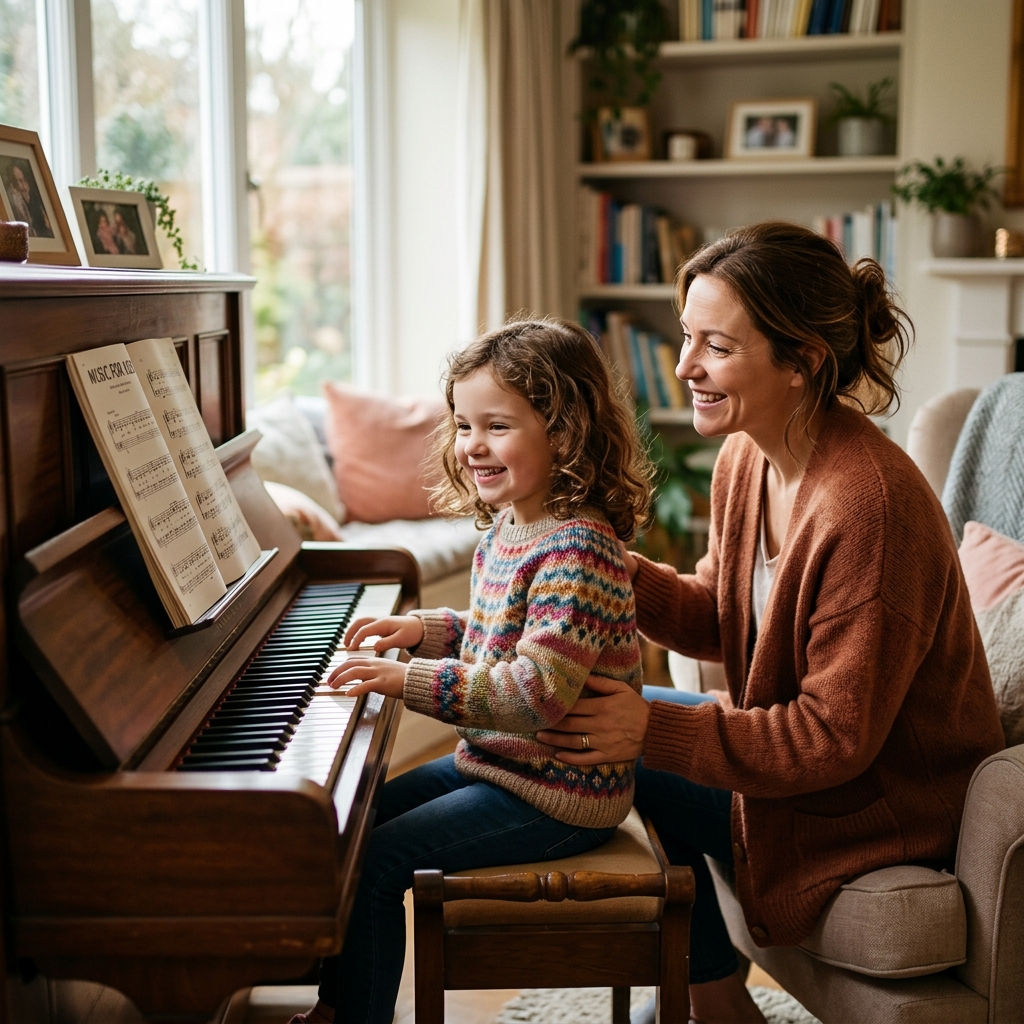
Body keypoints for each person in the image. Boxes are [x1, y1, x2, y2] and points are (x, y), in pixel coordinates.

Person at [537, 222, 1006, 1024]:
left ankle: (709, 999)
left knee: (617, 743)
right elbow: (720, 615)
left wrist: (648, 728)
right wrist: (592, 560)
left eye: (715, 347)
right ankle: (714, 998)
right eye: (688, 339)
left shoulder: (870, 506)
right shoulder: (747, 460)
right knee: (605, 732)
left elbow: (832, 737)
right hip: (822, 773)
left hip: (881, 803)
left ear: (802, 363)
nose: (685, 367)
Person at [291, 318, 656, 1024]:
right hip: (499, 766)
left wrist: (405, 679)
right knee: (349, 825)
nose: (472, 446)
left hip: (558, 791)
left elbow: (534, 691)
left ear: (564, 430)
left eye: (497, 426)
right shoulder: (511, 527)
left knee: (376, 861)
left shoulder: (577, 547)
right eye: (463, 425)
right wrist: (427, 631)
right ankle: (337, 1002)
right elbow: (499, 642)